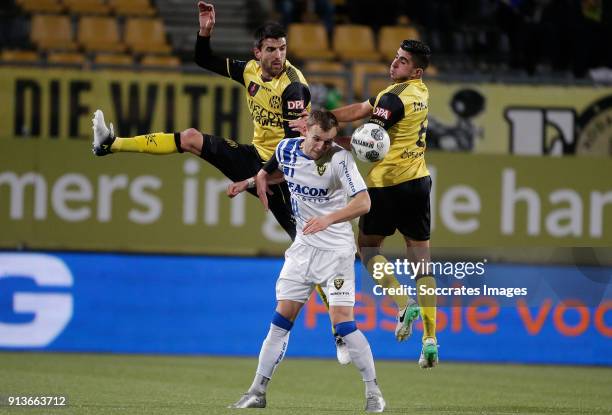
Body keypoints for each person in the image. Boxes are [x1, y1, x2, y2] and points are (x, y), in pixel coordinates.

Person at [90, 2, 348, 362]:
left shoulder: (294, 90)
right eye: (271, 49)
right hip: (254, 157)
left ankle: (340, 333)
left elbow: (297, 149)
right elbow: (203, 59)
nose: (278, 55)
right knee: (192, 137)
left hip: (286, 174)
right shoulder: (249, 73)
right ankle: (110, 144)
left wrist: (264, 177)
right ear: (257, 53)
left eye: (283, 48)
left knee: (311, 249)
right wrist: (205, 31)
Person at [290, 39, 439, 368]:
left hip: (387, 186)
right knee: (423, 263)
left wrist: (323, 138)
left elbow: (365, 142)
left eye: (401, 62)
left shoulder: (392, 98)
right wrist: (323, 119)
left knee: (368, 249)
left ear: (415, 69)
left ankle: (402, 302)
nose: (394, 64)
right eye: (395, 58)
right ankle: (430, 338)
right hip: (419, 182)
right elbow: (361, 108)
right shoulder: (418, 91)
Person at [229, 110, 385, 412]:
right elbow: (273, 170)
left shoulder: (340, 159)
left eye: (327, 141)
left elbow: (364, 202)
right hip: (302, 250)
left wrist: (329, 219)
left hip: (336, 252)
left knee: (344, 325)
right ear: (305, 132)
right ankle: (256, 392)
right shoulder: (285, 148)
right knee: (280, 321)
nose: (321, 147)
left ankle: (373, 393)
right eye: (317, 139)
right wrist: (253, 180)